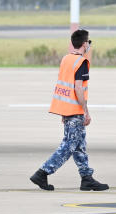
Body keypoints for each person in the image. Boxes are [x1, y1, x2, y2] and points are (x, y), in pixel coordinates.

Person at [29, 29, 109, 191]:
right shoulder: (81, 62)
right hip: (75, 110)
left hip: (67, 109)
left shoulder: (66, 59)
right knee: (69, 146)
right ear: (85, 44)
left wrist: (65, 111)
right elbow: (78, 88)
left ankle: (86, 178)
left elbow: (63, 85)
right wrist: (85, 110)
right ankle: (42, 172)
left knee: (79, 145)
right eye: (89, 43)